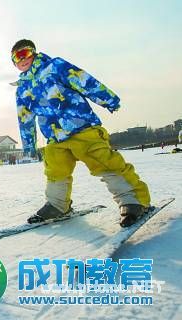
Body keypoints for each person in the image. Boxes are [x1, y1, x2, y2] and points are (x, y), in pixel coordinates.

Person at [10, 39, 150, 227]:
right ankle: (58, 205)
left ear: (33, 52)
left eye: (24, 54)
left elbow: (83, 80)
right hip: (54, 137)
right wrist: (29, 144)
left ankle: (134, 200)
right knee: (55, 169)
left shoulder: (55, 66)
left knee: (104, 161)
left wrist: (107, 99)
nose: (21, 60)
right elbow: (24, 118)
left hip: (81, 126)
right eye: (16, 58)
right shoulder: (22, 89)